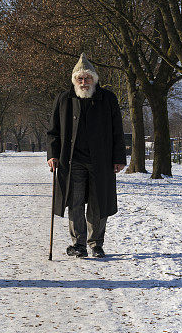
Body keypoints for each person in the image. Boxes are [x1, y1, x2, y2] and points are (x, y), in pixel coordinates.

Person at [47, 53, 127, 259]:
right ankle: (78, 244)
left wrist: (119, 158)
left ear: (95, 79)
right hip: (72, 162)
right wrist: (52, 155)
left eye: (88, 78)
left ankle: (96, 244)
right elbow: (53, 131)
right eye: (80, 79)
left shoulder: (107, 99)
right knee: (74, 202)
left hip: (101, 161)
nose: (84, 82)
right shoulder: (64, 99)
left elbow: (117, 130)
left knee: (98, 203)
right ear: (74, 80)